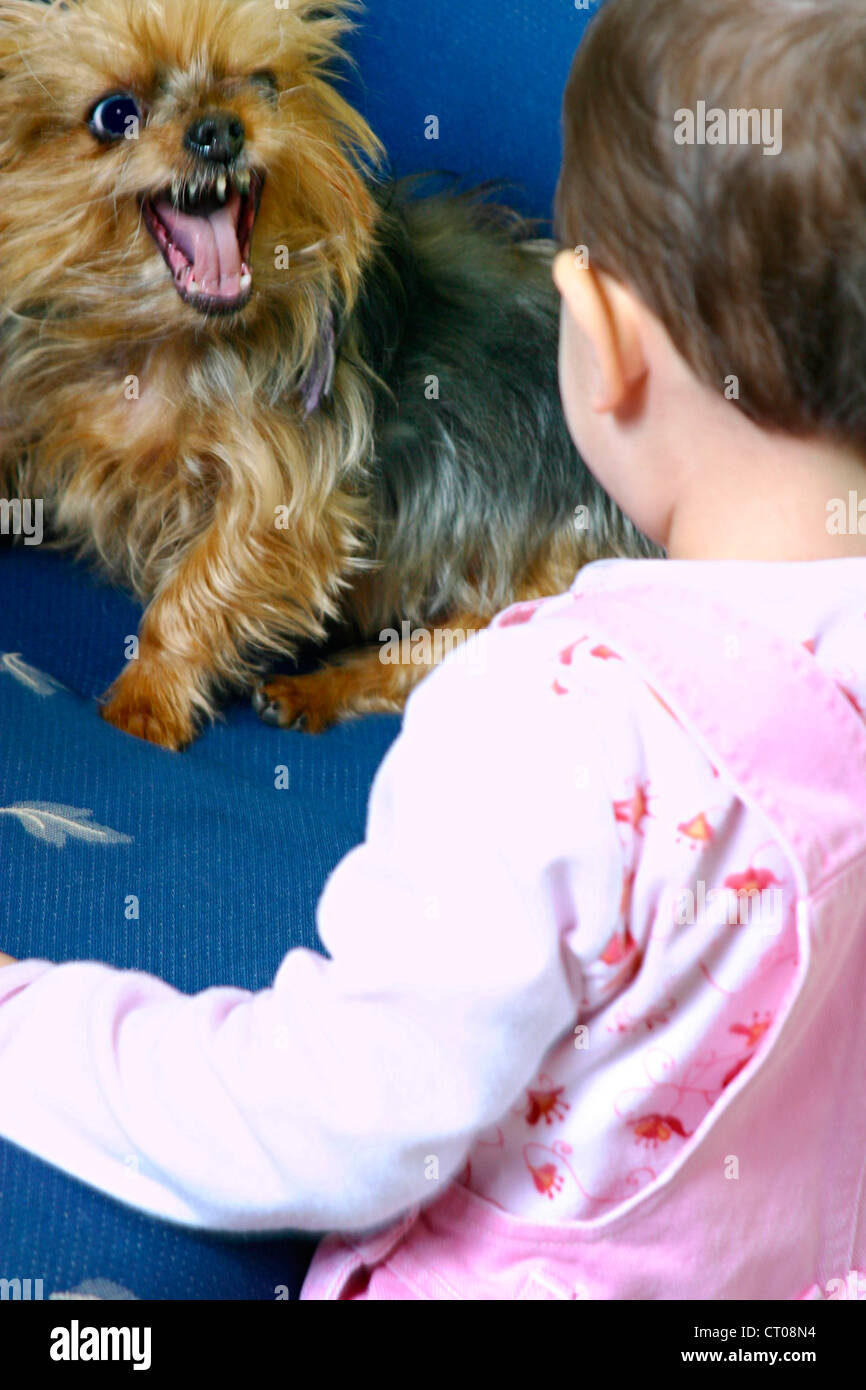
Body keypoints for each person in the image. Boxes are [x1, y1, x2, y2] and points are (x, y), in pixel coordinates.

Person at [2, 0, 866, 1299]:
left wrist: (30, 1028)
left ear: (603, 338)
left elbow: (334, 1120)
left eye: (255, 86)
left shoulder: (536, 720)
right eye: (122, 112)